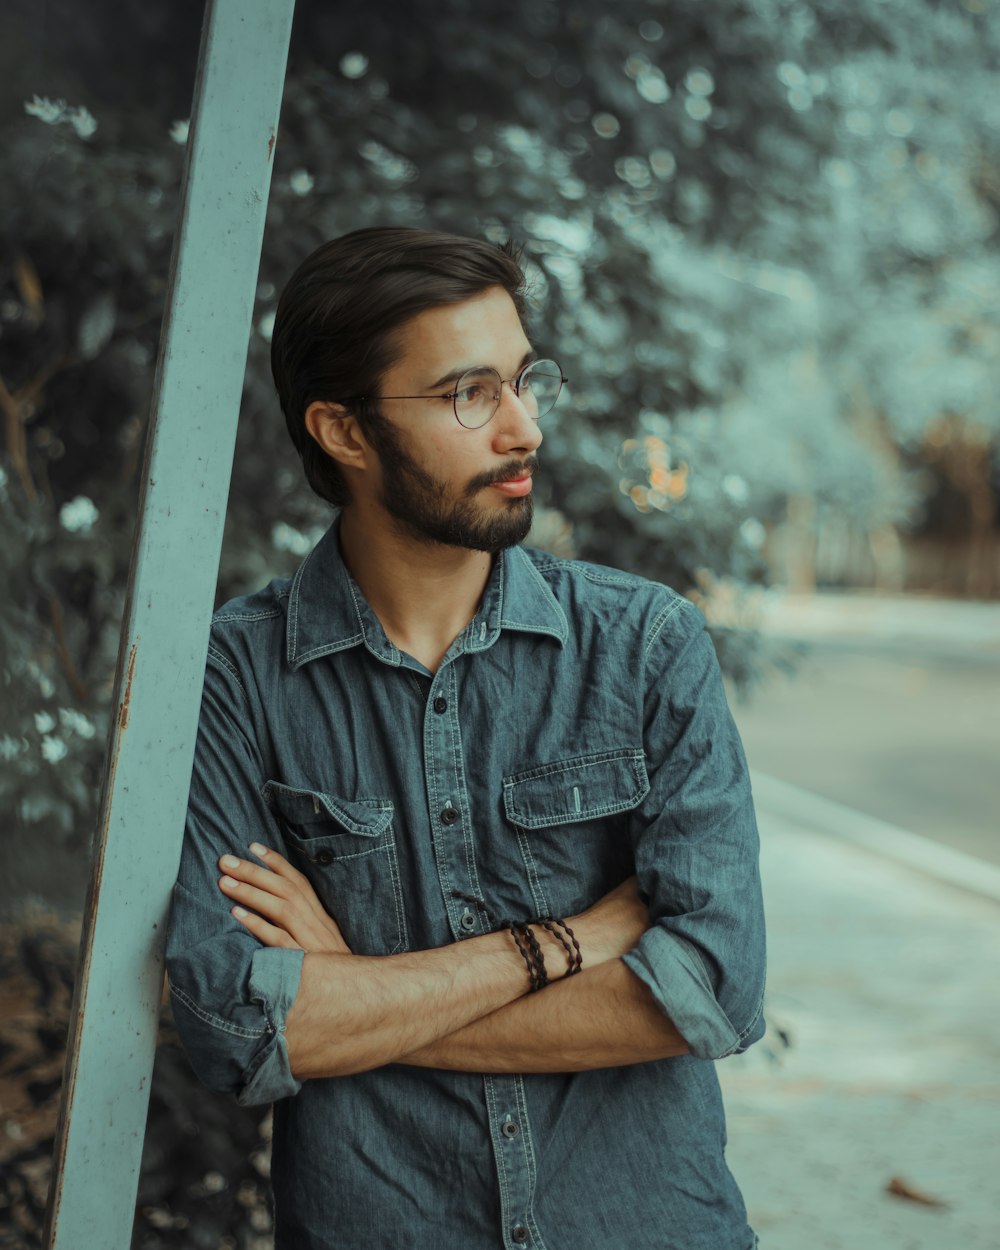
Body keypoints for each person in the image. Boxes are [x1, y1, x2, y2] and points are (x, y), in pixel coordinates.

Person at [166, 226, 766, 1250]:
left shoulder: (643, 645)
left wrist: (354, 982)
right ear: (343, 431)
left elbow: (706, 989)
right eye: (467, 394)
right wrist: (566, 943)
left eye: (525, 380)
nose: (523, 427)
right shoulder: (235, 674)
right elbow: (239, 1026)